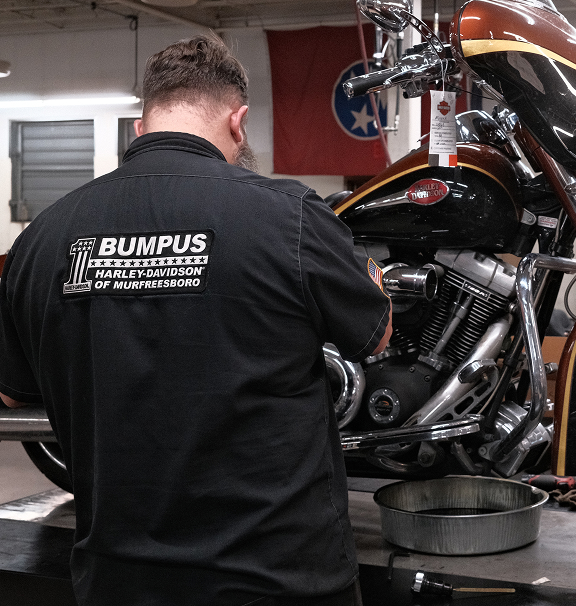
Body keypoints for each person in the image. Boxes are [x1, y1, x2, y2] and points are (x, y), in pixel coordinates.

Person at [0, 34, 392, 606]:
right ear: (239, 123)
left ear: (141, 127)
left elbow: (14, 394)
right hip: (278, 581)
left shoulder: (43, 238)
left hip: (118, 583)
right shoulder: (290, 217)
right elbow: (375, 332)